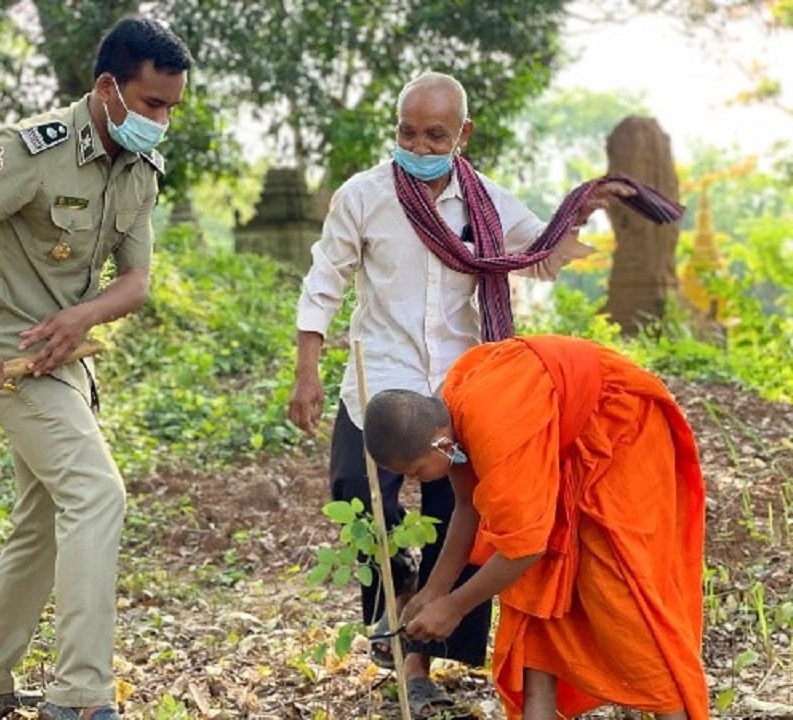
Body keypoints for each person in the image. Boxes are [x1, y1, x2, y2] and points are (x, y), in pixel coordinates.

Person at [287, 71, 640, 718]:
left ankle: (424, 656)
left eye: (435, 135)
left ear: (463, 135)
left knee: (462, 517)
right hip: (380, 382)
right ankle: (393, 621)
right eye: (407, 132)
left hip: (464, 388)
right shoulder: (363, 196)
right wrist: (306, 369)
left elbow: (539, 251)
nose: (418, 146)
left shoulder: (490, 205)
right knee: (360, 495)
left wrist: (582, 208)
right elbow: (325, 278)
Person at [0, 16, 192, 720]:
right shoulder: (33, 153)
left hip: (63, 365)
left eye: (172, 108)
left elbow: (136, 281)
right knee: (96, 494)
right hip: (7, 354)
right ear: (108, 89)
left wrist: (82, 316)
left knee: (43, 520)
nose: (162, 122)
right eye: (153, 104)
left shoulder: (139, 166)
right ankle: (81, 699)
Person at [362, 334, 708, 720]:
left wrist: (456, 607)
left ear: (441, 445)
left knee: (621, 594)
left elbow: (525, 548)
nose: (415, 482)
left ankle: (673, 711)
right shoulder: (448, 416)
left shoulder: (492, 424)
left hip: (622, 434)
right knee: (536, 587)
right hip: (564, 446)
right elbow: (466, 505)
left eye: (415, 471)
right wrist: (433, 591)